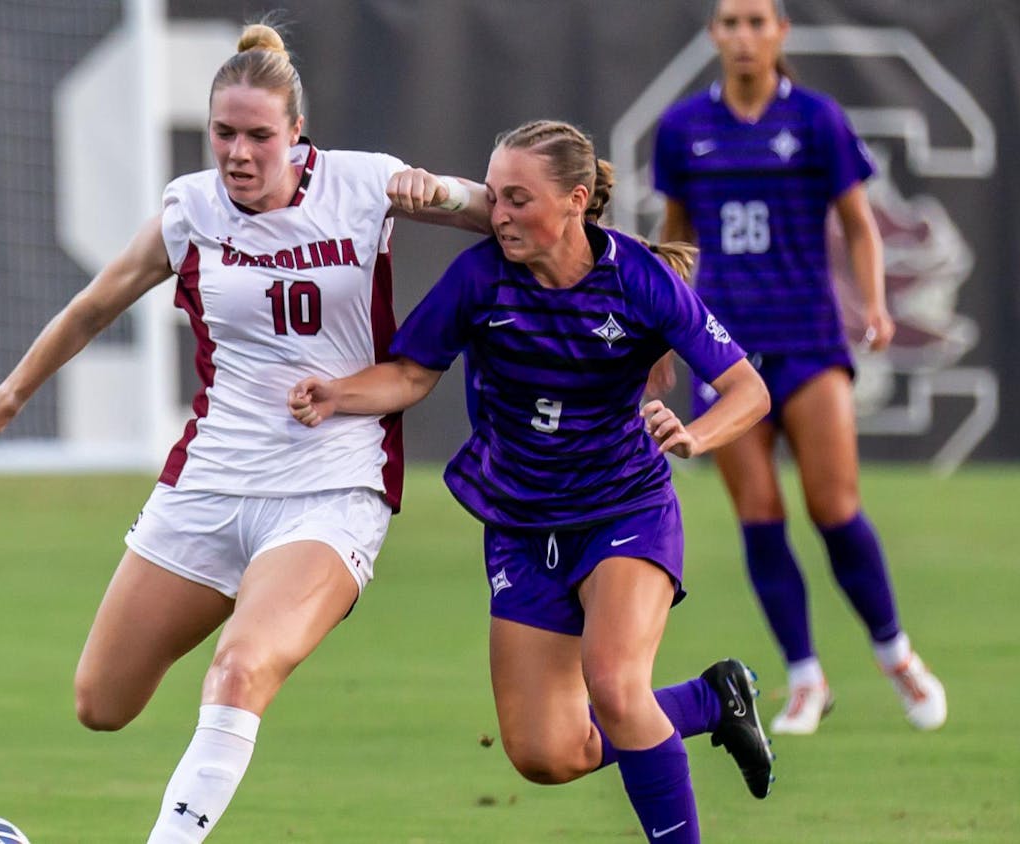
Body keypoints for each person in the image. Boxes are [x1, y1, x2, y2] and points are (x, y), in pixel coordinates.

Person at [0, 23, 497, 843]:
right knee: (101, 702)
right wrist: (9, 395)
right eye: (225, 133)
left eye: (259, 136)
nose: (239, 153)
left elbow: (512, 216)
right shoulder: (190, 208)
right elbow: (96, 303)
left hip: (330, 486)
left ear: (297, 133)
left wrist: (447, 197)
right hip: (210, 484)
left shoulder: (365, 183)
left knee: (240, 667)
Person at [288, 119, 773, 843]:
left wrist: (694, 434)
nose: (498, 214)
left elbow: (747, 391)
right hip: (521, 524)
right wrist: (335, 393)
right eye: (495, 196)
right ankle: (710, 700)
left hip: (624, 507)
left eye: (518, 199)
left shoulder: (638, 278)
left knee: (613, 687)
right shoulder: (481, 277)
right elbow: (412, 373)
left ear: (577, 200)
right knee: (546, 754)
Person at [649, 0, 947, 735]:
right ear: (713, 35)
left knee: (834, 507)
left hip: (810, 344)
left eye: (757, 20)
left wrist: (874, 305)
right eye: (729, 22)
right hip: (723, 351)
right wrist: (660, 329)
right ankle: (805, 678)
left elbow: (858, 222)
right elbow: (676, 241)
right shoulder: (685, 129)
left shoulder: (816, 118)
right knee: (760, 518)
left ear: (781, 31)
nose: (743, 35)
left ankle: (895, 653)